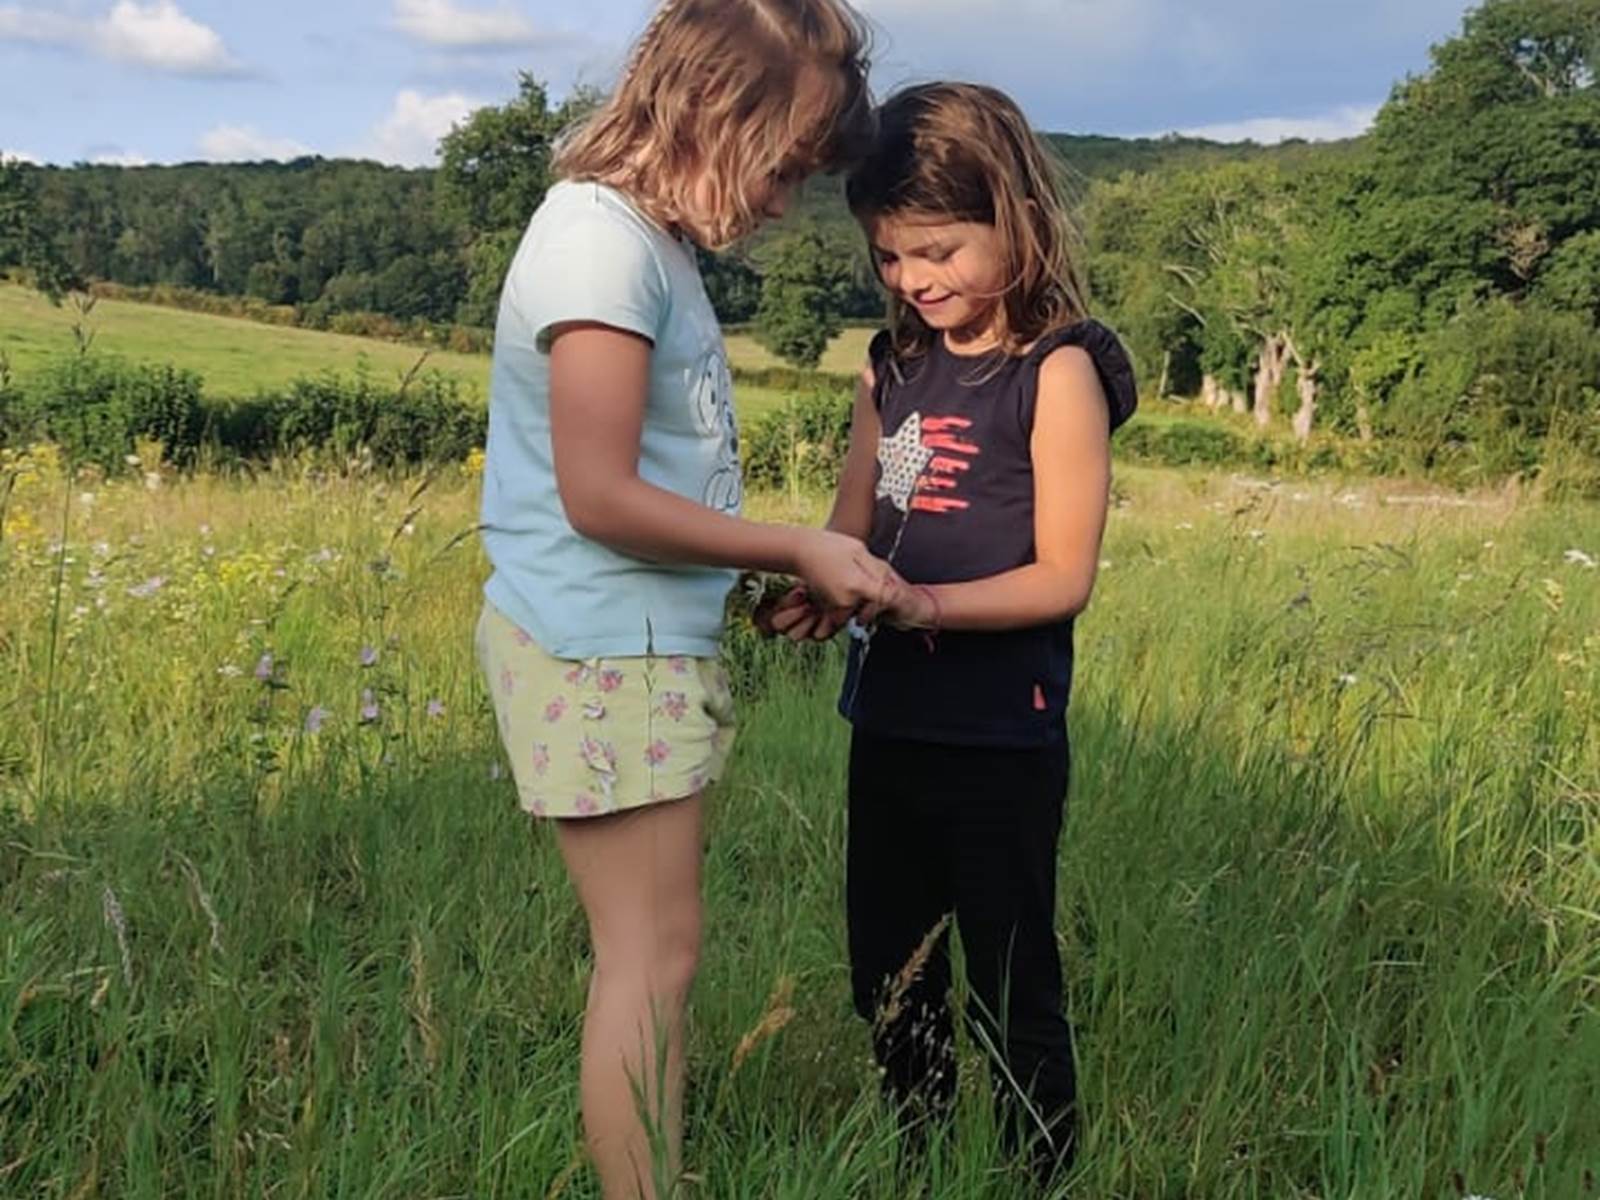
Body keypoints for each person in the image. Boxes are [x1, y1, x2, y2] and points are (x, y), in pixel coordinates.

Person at [474, 3, 880, 1196]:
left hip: (626, 642)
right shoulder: (597, 244)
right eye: (783, 164)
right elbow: (597, 495)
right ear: (711, 111)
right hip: (601, 644)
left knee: (656, 952)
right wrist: (793, 546)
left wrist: (764, 562)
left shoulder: (645, 243)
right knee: (649, 960)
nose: (781, 201)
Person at [770, 81, 1139, 1186]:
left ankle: (1038, 1171)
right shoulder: (891, 370)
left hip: (1000, 737)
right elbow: (857, 522)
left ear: (1013, 218)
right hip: (889, 722)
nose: (913, 279)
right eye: (888, 257)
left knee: (1010, 976)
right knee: (889, 969)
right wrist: (819, 585)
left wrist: (922, 605)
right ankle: (920, 1160)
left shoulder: (1054, 372)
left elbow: (1060, 576)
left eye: (936, 249)